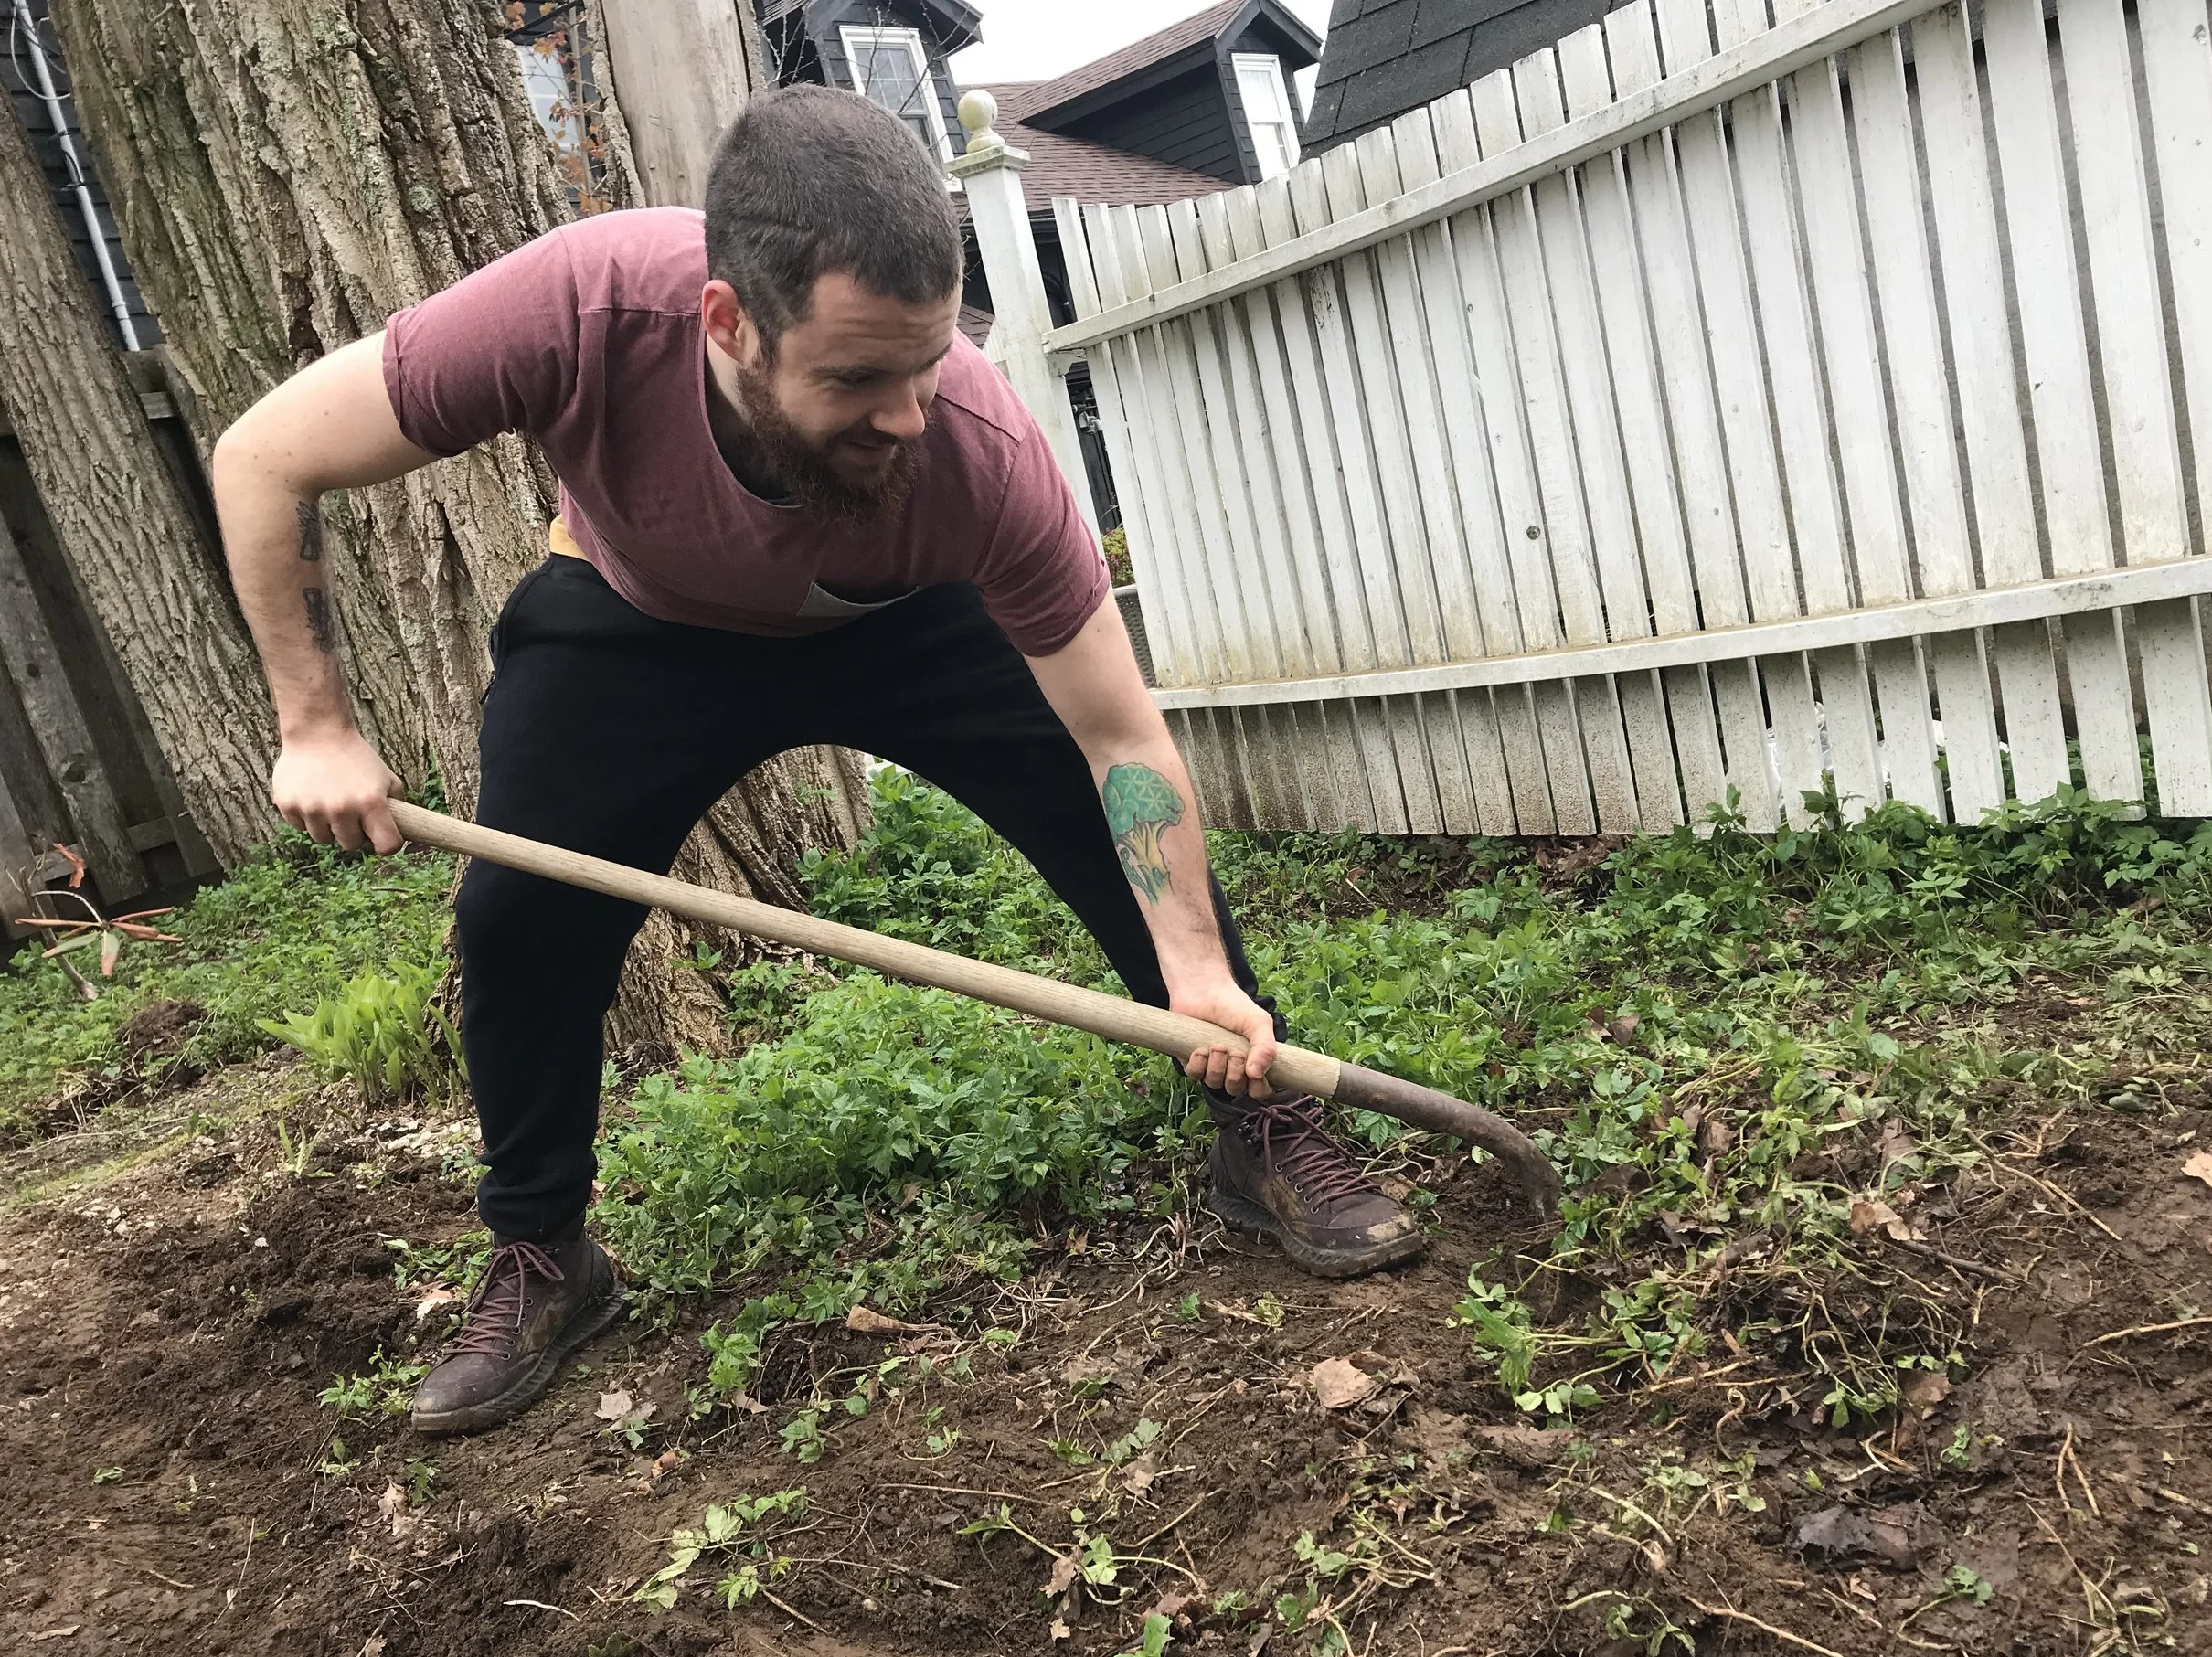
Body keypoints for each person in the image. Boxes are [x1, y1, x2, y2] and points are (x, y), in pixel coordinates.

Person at [210, 86, 1424, 1438]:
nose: (907, 412)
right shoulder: (579, 307)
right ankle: (547, 1252)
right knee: (518, 924)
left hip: (904, 618)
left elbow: (1121, 736)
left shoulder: (978, 448)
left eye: (925, 362)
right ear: (726, 323)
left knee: (1105, 823)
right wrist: (314, 723)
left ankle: (1258, 1123)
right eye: (855, 378)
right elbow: (262, 457)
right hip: (638, 620)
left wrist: (1195, 967)